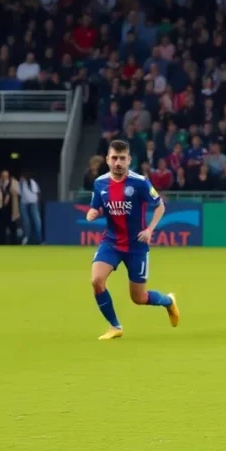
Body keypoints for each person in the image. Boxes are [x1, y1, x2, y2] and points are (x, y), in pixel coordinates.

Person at [88, 140, 180, 340]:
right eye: (114, 158)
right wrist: (93, 212)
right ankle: (115, 326)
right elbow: (96, 205)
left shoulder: (139, 182)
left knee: (138, 298)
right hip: (111, 242)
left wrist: (149, 229)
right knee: (96, 280)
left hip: (136, 245)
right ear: (107, 160)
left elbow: (160, 206)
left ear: (129, 160)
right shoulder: (100, 183)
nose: (118, 162)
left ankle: (168, 301)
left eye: (122, 158)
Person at [19, 171, 42, 244]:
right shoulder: (21, 183)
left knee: (36, 220)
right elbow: (19, 193)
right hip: (24, 203)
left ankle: (38, 239)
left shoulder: (33, 182)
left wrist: (36, 201)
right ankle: (26, 237)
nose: (22, 178)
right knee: (26, 221)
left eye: (24, 177)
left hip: (33, 203)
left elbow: (38, 192)